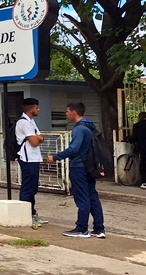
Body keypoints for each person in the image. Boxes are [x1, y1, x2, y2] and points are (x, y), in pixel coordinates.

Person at [47, 102, 105, 238]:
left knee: (82, 198)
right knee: (92, 197)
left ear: (74, 112)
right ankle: (99, 228)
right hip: (90, 166)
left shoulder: (79, 129)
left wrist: (55, 157)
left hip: (79, 167)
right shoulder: (90, 126)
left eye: (67, 111)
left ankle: (82, 228)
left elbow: (74, 149)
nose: (66, 114)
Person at [16, 97, 47, 225]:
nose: (38, 110)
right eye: (36, 108)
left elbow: (41, 136)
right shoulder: (24, 123)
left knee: (33, 187)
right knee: (28, 188)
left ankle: (32, 212)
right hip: (27, 158)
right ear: (30, 109)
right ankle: (25, 214)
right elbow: (35, 142)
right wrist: (37, 138)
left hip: (34, 158)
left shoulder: (31, 121)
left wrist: (38, 138)